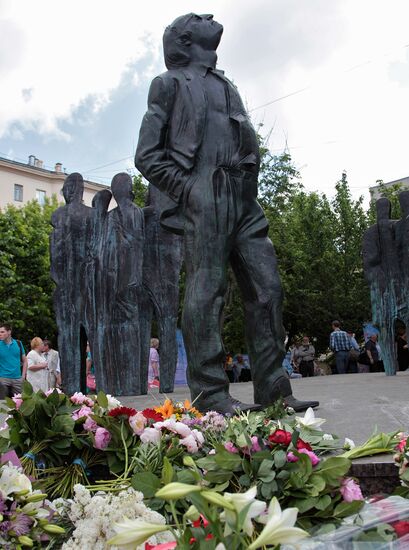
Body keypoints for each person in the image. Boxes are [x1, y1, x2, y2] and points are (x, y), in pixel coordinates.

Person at [135, 13, 318, 414]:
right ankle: (211, 394)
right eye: (198, 18)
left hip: (244, 197)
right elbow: (146, 156)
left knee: (268, 289)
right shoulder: (167, 84)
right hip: (206, 191)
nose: (210, 17)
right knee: (208, 290)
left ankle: (275, 391)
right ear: (185, 39)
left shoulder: (226, 83)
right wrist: (190, 189)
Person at [0, 323, 27, 398]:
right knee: (2, 403)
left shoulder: (18, 343)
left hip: (17, 379)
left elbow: (25, 361)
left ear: (9, 332)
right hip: (3, 379)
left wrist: (23, 376)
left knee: (20, 403)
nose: (0, 334)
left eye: (2, 332)